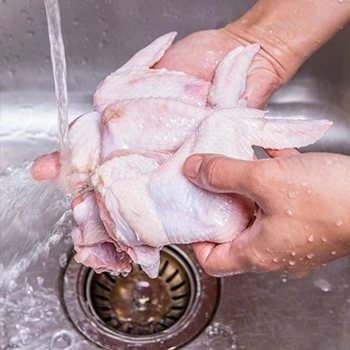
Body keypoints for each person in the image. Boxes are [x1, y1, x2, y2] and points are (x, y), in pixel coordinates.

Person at [32, 0, 350, 278]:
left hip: (166, 180)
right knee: (112, 107)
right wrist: (260, 44)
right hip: (163, 174)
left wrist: (341, 214)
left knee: (114, 107)